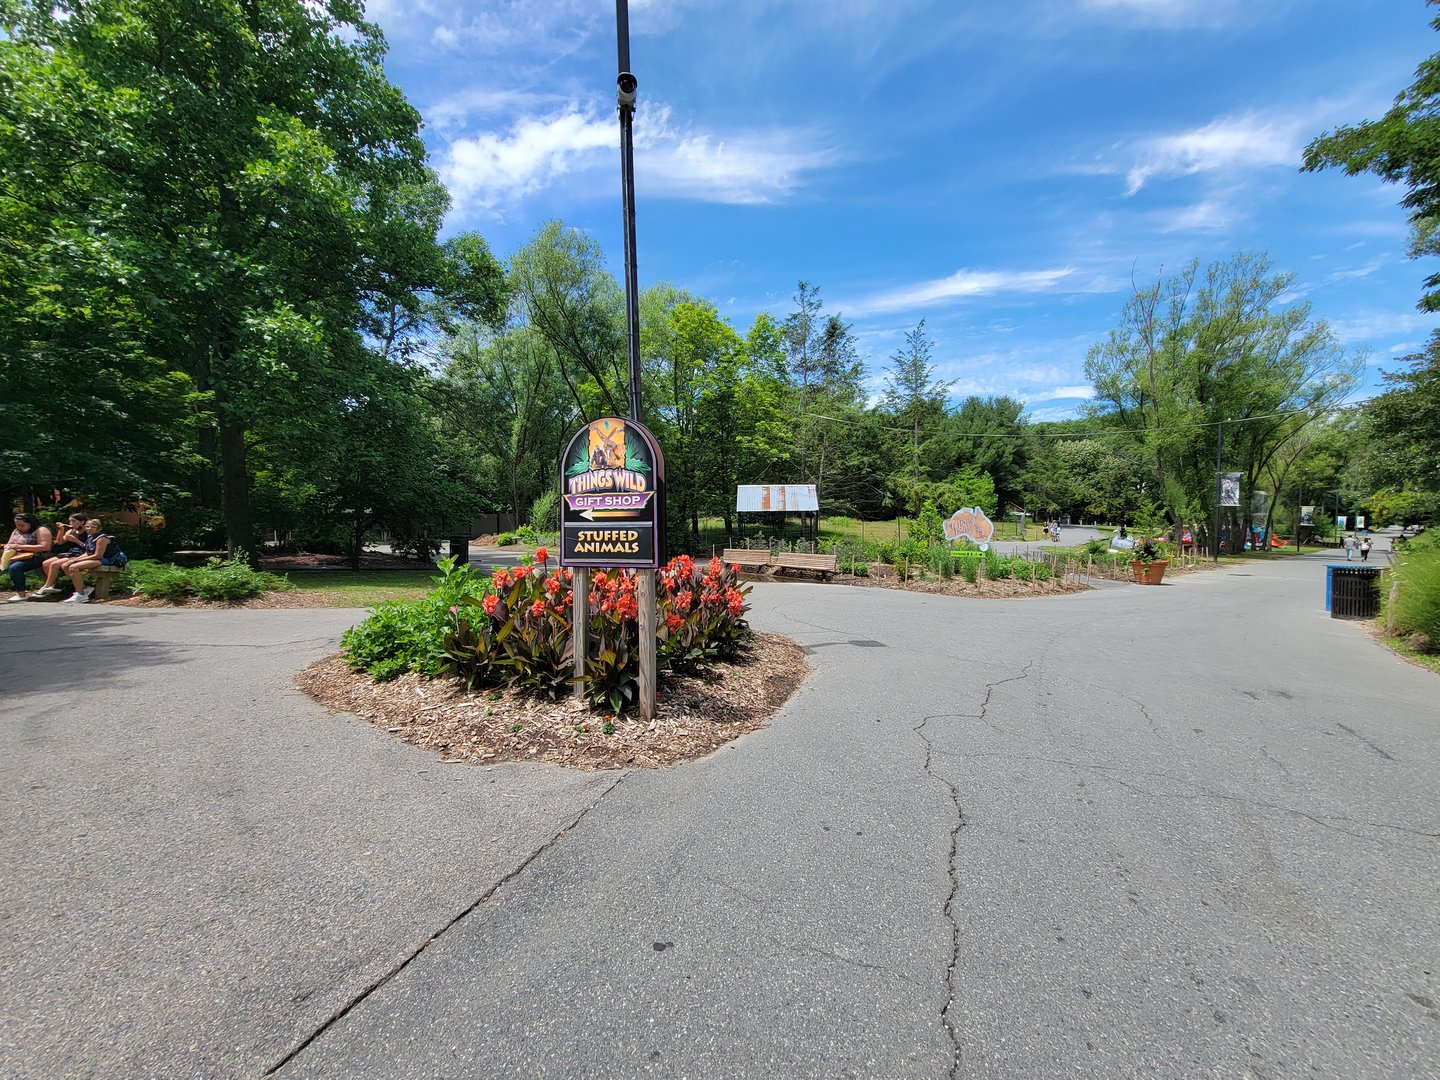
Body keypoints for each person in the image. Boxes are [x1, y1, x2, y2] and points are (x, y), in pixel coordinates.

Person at [53, 519, 127, 603]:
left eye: (93, 527)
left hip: (109, 559)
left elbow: (98, 555)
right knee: (65, 565)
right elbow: (88, 552)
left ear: (99, 529)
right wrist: (75, 559)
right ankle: (84, 588)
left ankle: (80, 594)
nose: (89, 528)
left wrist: (75, 561)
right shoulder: (90, 537)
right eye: (87, 526)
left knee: (73, 567)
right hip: (98, 558)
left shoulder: (101, 538)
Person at [4, 512, 54, 602]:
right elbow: (10, 543)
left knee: (15, 568)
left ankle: (21, 594)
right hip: (17, 556)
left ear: (30, 523)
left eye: (22, 525)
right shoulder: (16, 531)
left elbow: (45, 547)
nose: (19, 527)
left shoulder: (41, 530)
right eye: (17, 525)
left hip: (39, 556)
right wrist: (8, 548)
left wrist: (19, 546)